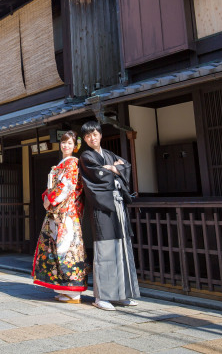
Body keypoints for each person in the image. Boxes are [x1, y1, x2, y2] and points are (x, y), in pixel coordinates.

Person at [78, 120, 140, 311]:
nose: (92, 138)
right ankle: (101, 296)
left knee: (121, 247)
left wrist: (114, 168)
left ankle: (120, 294)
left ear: (100, 134)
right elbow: (95, 177)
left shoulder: (108, 154)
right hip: (102, 207)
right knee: (105, 251)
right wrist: (114, 169)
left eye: (94, 134)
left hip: (117, 205)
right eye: (87, 136)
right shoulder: (86, 157)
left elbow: (125, 166)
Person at [32, 130, 88, 303]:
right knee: (57, 249)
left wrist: (50, 200)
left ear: (75, 146)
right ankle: (64, 288)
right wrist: (46, 198)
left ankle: (73, 291)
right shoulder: (63, 163)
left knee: (67, 248)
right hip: (57, 212)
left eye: (70, 143)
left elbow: (66, 186)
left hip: (65, 213)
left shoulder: (72, 163)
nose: (66, 145)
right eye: (64, 142)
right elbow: (53, 186)